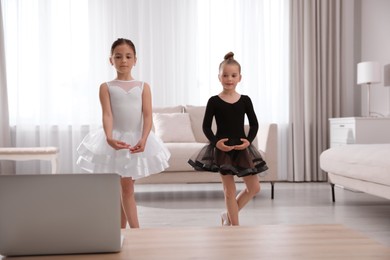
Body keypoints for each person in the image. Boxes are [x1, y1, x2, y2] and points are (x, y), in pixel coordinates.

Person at [77, 38, 170, 229]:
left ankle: (122, 232)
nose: (123, 61)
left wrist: (144, 138)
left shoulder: (143, 86)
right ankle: (137, 232)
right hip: (117, 143)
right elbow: (107, 114)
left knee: (126, 188)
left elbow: (147, 115)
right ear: (111, 60)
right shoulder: (106, 87)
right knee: (127, 189)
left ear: (135, 59)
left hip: (137, 141)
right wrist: (109, 137)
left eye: (128, 56)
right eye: (118, 56)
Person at [188, 52, 268, 226]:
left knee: (254, 187)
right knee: (229, 191)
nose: (229, 79)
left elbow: (254, 124)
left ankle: (228, 215)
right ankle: (235, 227)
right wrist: (217, 143)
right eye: (225, 75)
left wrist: (248, 140)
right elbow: (206, 127)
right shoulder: (214, 101)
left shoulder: (245, 100)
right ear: (219, 77)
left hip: (242, 148)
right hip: (222, 149)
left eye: (233, 75)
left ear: (240, 77)